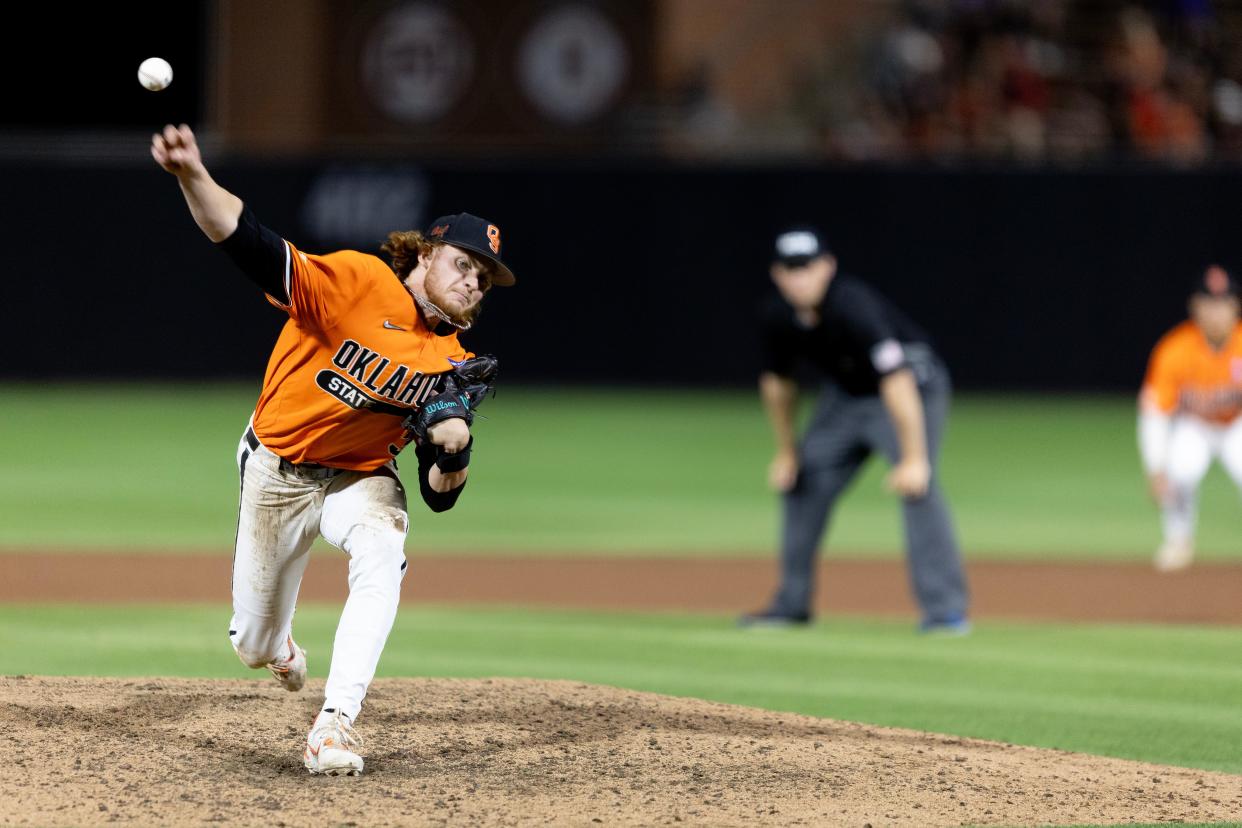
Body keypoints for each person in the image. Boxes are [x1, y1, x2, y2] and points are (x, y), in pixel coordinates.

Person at [151, 123, 515, 775]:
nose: (473, 283)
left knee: (384, 547)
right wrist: (191, 176)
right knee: (253, 644)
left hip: (360, 478)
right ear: (427, 256)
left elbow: (438, 497)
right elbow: (248, 241)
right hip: (278, 468)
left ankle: (334, 725)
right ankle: (280, 646)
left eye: (484, 279)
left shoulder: (453, 364)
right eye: (464, 264)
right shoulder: (359, 284)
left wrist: (453, 451)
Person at [740, 226, 969, 632]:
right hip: (846, 398)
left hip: (911, 387)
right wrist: (786, 450)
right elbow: (778, 385)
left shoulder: (852, 304)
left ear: (827, 267)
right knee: (801, 482)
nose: (800, 278)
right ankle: (791, 605)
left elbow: (896, 380)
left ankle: (945, 611)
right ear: (777, 274)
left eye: (807, 267)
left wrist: (915, 458)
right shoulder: (778, 316)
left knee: (917, 486)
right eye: (791, 270)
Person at [1138, 264, 1242, 572]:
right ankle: (1178, 541)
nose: (1215, 311)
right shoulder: (1174, 349)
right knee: (1179, 472)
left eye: (1223, 303)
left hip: (1236, 425)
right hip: (1195, 426)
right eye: (1207, 303)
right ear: (1194, 307)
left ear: (1235, 306)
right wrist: (1155, 467)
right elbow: (1155, 413)